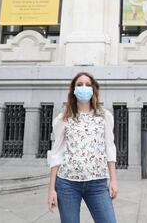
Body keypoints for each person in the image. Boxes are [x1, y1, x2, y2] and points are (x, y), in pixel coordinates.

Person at [47, 72, 118, 223]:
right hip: (67, 184)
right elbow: (56, 153)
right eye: (79, 85)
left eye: (88, 84)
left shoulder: (104, 116)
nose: (83, 88)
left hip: (97, 183)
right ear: (73, 90)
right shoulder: (63, 119)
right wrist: (51, 189)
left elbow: (109, 148)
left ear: (94, 89)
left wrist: (113, 180)